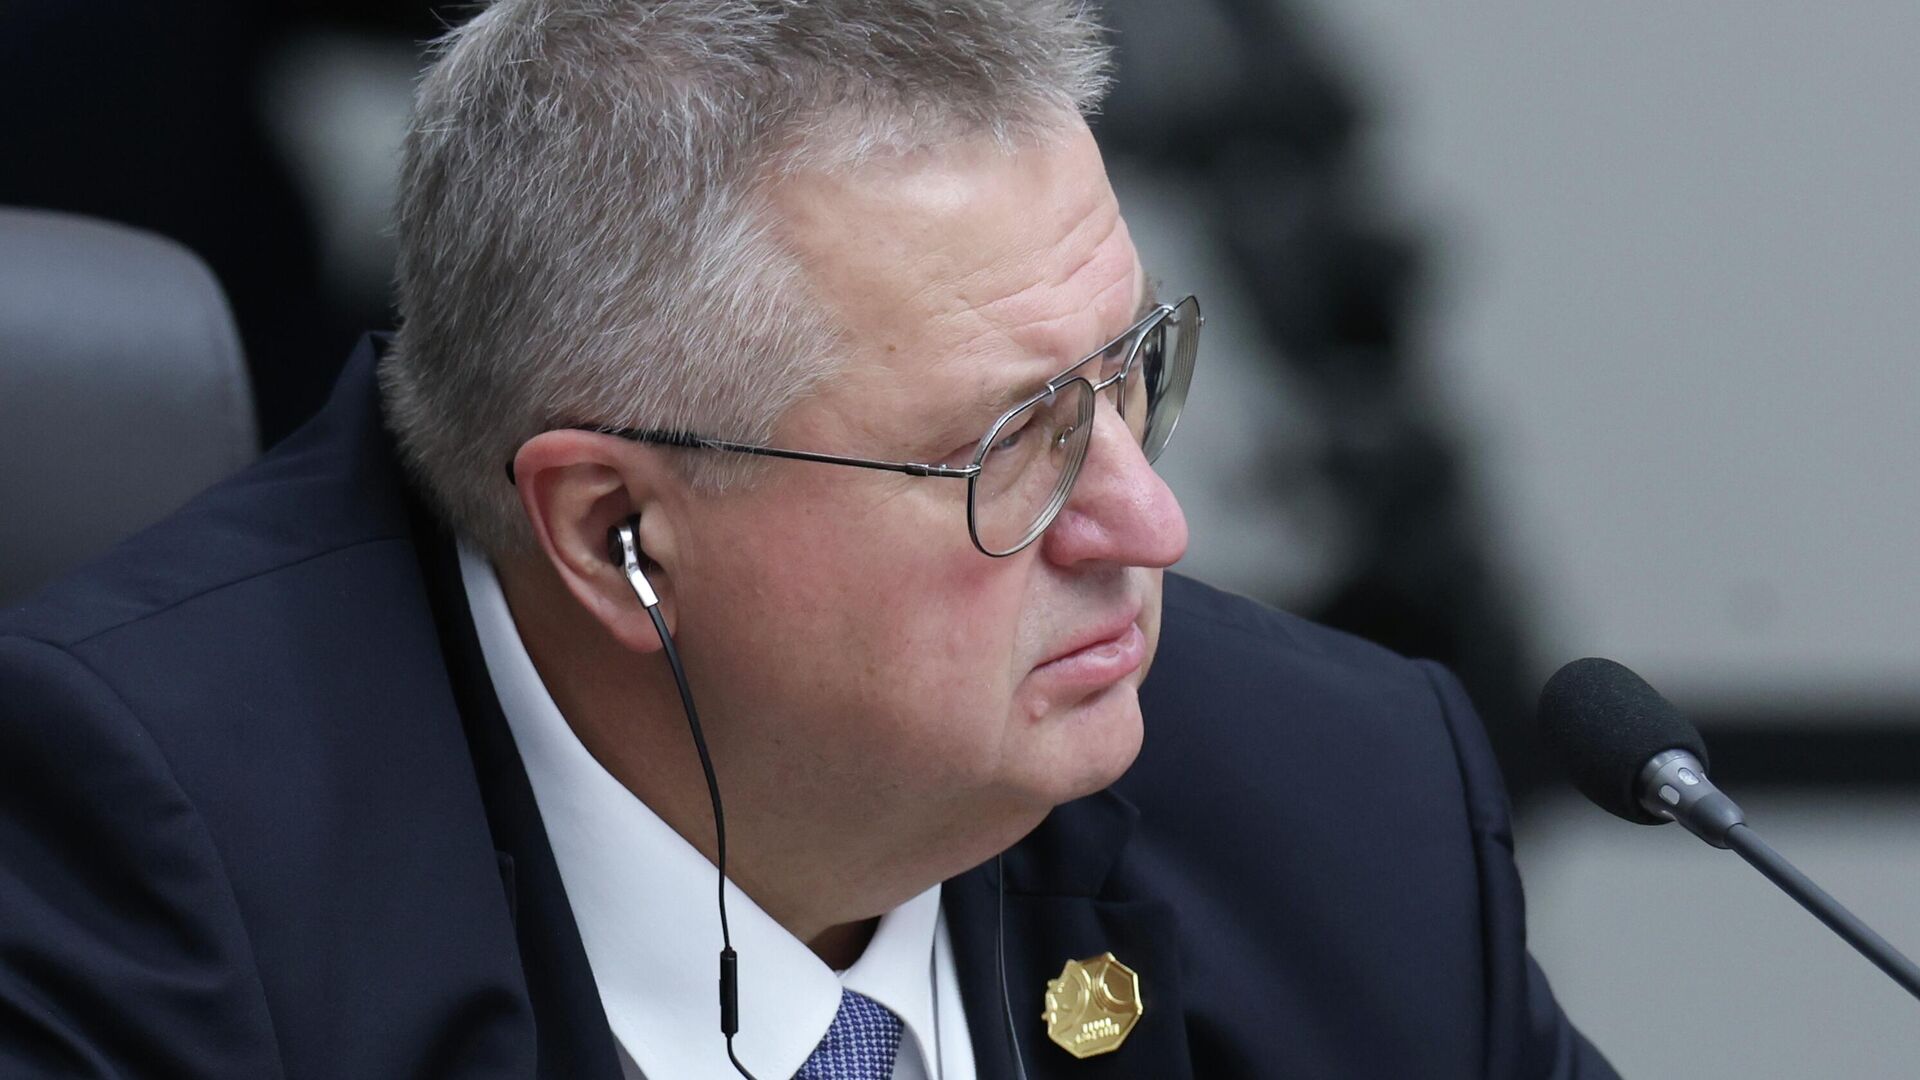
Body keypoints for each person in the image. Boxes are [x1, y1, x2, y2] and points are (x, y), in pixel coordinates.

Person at [0, 1, 1617, 1077]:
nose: (1151, 524)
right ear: (616, 531)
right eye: (1011, 444)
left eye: (1129, 374)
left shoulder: (1349, 808)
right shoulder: (131, 873)